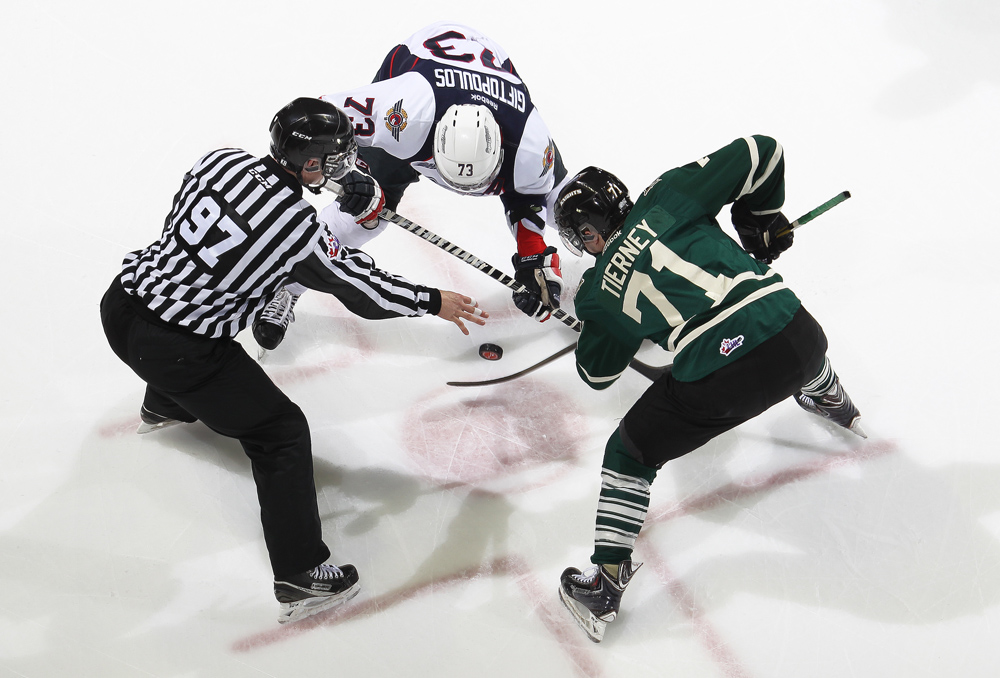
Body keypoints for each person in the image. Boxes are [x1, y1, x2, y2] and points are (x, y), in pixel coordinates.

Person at [99, 97, 488, 624]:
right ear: (309, 164)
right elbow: (361, 293)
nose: (342, 164)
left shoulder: (222, 159)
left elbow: (210, 242)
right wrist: (431, 300)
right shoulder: (296, 228)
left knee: (190, 336)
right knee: (281, 432)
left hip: (121, 304)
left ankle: (163, 405)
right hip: (176, 352)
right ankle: (301, 574)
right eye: (332, 158)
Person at [551, 135, 865, 642]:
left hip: (725, 378)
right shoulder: (671, 193)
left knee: (628, 452)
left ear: (588, 233)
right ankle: (828, 394)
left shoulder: (596, 289)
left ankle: (605, 583)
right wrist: (757, 222)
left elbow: (598, 375)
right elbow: (763, 150)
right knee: (774, 324)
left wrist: (590, 318)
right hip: (802, 333)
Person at [253, 21, 570, 352]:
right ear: (432, 142)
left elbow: (527, 198)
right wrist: (352, 176)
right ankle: (288, 286)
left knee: (566, 204)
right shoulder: (404, 112)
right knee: (365, 212)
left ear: (501, 153)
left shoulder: (529, 145)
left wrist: (533, 255)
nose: (457, 190)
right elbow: (319, 119)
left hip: (491, 99)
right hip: (419, 66)